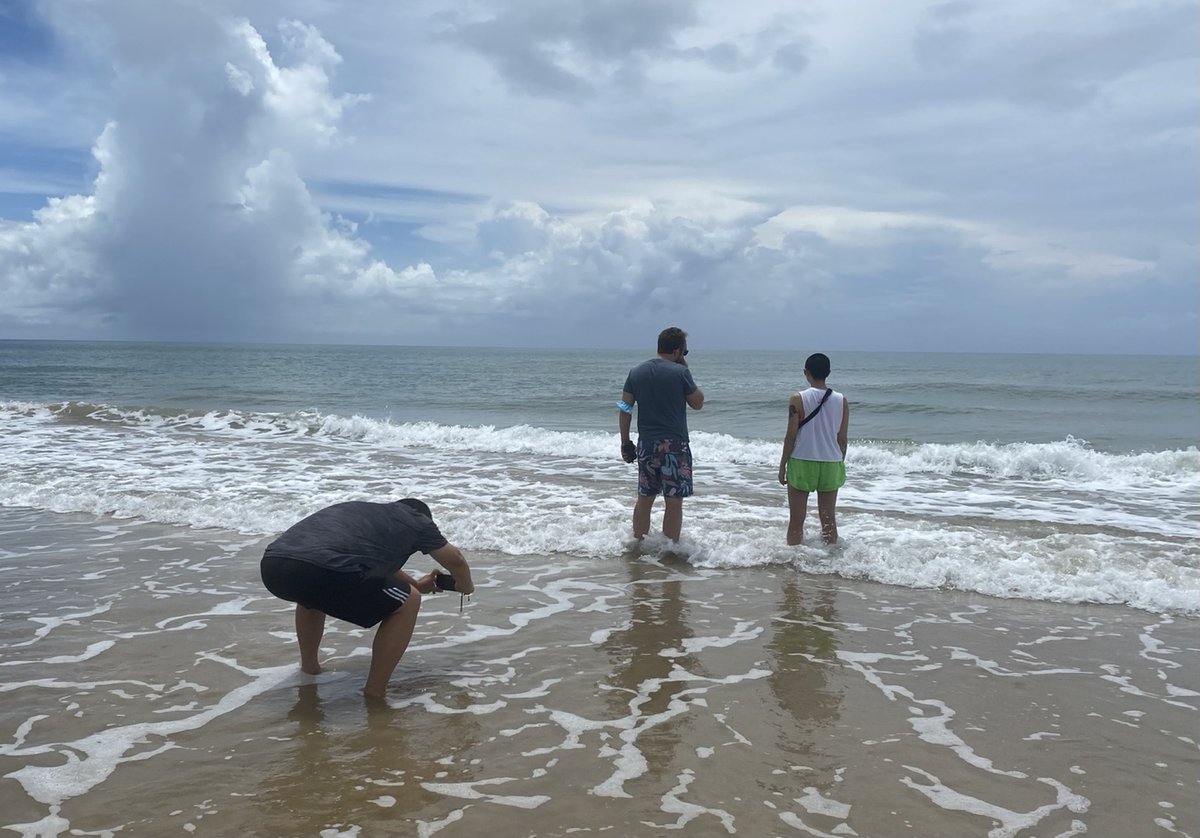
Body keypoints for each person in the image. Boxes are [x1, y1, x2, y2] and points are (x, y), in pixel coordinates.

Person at [259, 497, 475, 698]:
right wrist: (465, 585)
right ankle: (375, 691)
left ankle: (310, 669)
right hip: (322, 568)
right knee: (410, 601)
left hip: (274, 565)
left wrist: (417, 583)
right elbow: (455, 558)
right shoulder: (417, 520)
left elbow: (376, 566)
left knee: (312, 594)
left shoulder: (371, 516)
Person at [617, 326, 705, 542]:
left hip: (646, 444)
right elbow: (698, 403)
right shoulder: (681, 373)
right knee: (673, 500)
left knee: (645, 497)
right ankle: (670, 550)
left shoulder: (636, 372)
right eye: (684, 352)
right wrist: (685, 366)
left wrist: (625, 442)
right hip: (675, 446)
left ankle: (638, 543)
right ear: (677, 351)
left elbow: (625, 408)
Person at [777, 353, 849, 545]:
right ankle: (832, 563)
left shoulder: (797, 399)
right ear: (829, 373)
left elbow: (790, 436)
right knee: (828, 521)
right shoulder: (842, 400)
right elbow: (842, 440)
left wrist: (782, 465)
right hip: (831, 463)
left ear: (805, 373)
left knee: (797, 520)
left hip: (802, 461)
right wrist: (838, 461)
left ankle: (793, 561)